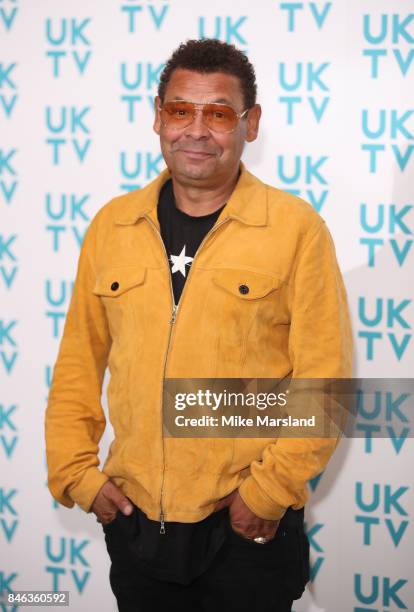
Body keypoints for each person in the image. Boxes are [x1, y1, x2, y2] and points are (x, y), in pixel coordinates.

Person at [45, 39, 353, 612]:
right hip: (137, 527)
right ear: (158, 115)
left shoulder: (295, 230)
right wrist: (77, 474)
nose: (196, 130)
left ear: (250, 124)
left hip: (247, 531)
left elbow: (325, 383)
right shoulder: (112, 227)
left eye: (217, 114)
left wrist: (267, 493)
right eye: (180, 110)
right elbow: (77, 365)